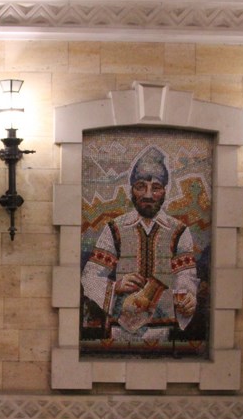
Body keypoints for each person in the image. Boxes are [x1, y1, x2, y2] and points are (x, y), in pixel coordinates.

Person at [80, 145, 198, 344]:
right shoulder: (115, 229)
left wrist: (189, 299)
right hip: (120, 329)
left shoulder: (179, 231)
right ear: (131, 190)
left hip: (164, 330)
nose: (148, 195)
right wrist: (116, 286)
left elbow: (185, 278)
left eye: (156, 187)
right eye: (141, 186)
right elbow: (90, 276)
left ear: (165, 191)